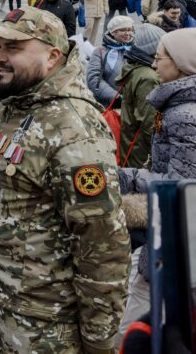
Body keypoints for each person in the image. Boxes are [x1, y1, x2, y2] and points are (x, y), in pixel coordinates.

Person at [0, 6, 131, 353]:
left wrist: (99, 340)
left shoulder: (74, 128)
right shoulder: (14, 104)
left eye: (13, 48)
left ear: (53, 56)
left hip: (46, 325)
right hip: (3, 306)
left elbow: (102, 245)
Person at [116, 28, 196, 338]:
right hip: (168, 234)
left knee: (135, 320)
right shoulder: (176, 106)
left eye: (159, 58)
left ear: (180, 63)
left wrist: (127, 176)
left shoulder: (185, 115)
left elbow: (181, 184)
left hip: (175, 237)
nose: (154, 64)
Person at [117, 24, 166, 168]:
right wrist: (161, 145)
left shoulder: (137, 68)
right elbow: (151, 120)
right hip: (142, 151)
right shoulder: (149, 78)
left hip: (133, 144)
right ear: (154, 49)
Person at [86, 16, 135, 107]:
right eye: (123, 30)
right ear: (113, 32)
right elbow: (94, 79)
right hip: (109, 104)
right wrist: (116, 97)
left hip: (133, 105)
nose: (127, 33)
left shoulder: (135, 50)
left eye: (129, 30)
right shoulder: (100, 52)